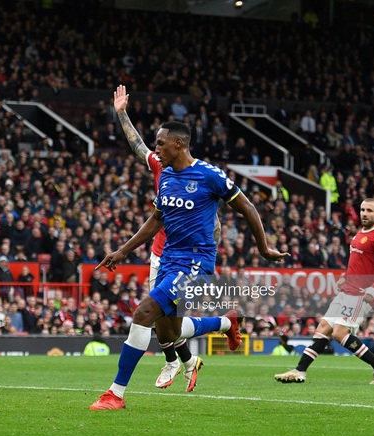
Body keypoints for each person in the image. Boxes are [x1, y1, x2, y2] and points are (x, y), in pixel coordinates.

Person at [90, 92, 288, 410]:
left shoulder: (209, 176)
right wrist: (123, 250)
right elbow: (156, 220)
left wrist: (263, 248)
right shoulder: (166, 176)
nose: (156, 149)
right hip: (170, 259)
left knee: (142, 314)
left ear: (179, 144)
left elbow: (247, 206)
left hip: (197, 262)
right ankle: (227, 322)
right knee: (167, 329)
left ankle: (115, 394)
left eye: (161, 143)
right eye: (155, 143)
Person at [112, 84, 226, 392]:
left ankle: (172, 362)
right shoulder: (160, 166)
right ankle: (193, 355)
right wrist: (122, 114)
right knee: (165, 323)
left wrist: (207, 249)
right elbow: (137, 146)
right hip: (160, 254)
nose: (157, 150)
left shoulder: (198, 176)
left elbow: (213, 222)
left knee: (154, 315)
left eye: (162, 144)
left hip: (188, 259)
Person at [275, 198, 374, 385]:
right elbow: (357, 263)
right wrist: (345, 276)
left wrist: (373, 288)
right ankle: (300, 371)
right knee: (323, 328)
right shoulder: (360, 233)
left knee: (339, 333)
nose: (364, 213)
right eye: (362, 209)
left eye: (369, 210)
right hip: (347, 291)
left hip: (360, 294)